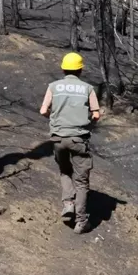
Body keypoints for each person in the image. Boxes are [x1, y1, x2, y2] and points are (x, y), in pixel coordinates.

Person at [40, 53, 100, 234]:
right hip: (78, 138)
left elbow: (43, 110)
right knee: (82, 182)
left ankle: (68, 203)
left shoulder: (53, 86)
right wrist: (88, 124)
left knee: (65, 170)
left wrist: (56, 120)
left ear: (63, 68)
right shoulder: (87, 88)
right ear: (80, 69)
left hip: (58, 138)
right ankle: (81, 222)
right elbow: (96, 114)